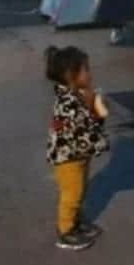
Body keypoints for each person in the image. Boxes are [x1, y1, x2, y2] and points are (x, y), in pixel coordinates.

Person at [45, 46, 110, 250]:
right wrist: (93, 109)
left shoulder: (76, 95)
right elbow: (85, 129)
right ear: (70, 75)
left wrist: (94, 106)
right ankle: (65, 231)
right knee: (71, 194)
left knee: (80, 190)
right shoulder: (68, 102)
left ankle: (76, 222)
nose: (90, 74)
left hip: (79, 154)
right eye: (85, 69)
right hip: (68, 157)